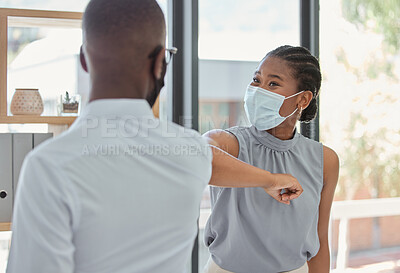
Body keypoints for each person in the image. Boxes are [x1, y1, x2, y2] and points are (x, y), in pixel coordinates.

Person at [6, 1, 304, 273]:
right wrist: (271, 179)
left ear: (84, 59)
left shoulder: (48, 167)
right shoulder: (189, 152)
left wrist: (270, 179)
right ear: (161, 61)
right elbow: (212, 162)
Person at [203, 45, 340, 273]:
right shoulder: (229, 143)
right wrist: (270, 180)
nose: (258, 89)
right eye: (256, 80)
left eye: (273, 84)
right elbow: (201, 159)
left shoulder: (324, 160)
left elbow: (320, 240)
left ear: (303, 99)